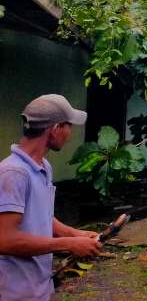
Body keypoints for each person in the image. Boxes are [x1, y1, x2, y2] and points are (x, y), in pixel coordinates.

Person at [0, 95, 102, 301]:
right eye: (68, 126)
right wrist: (68, 244)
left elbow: (42, 216)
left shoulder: (43, 167)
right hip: (14, 291)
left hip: (39, 285)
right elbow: (5, 240)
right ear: (55, 129)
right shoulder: (13, 173)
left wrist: (75, 234)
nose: (70, 135)